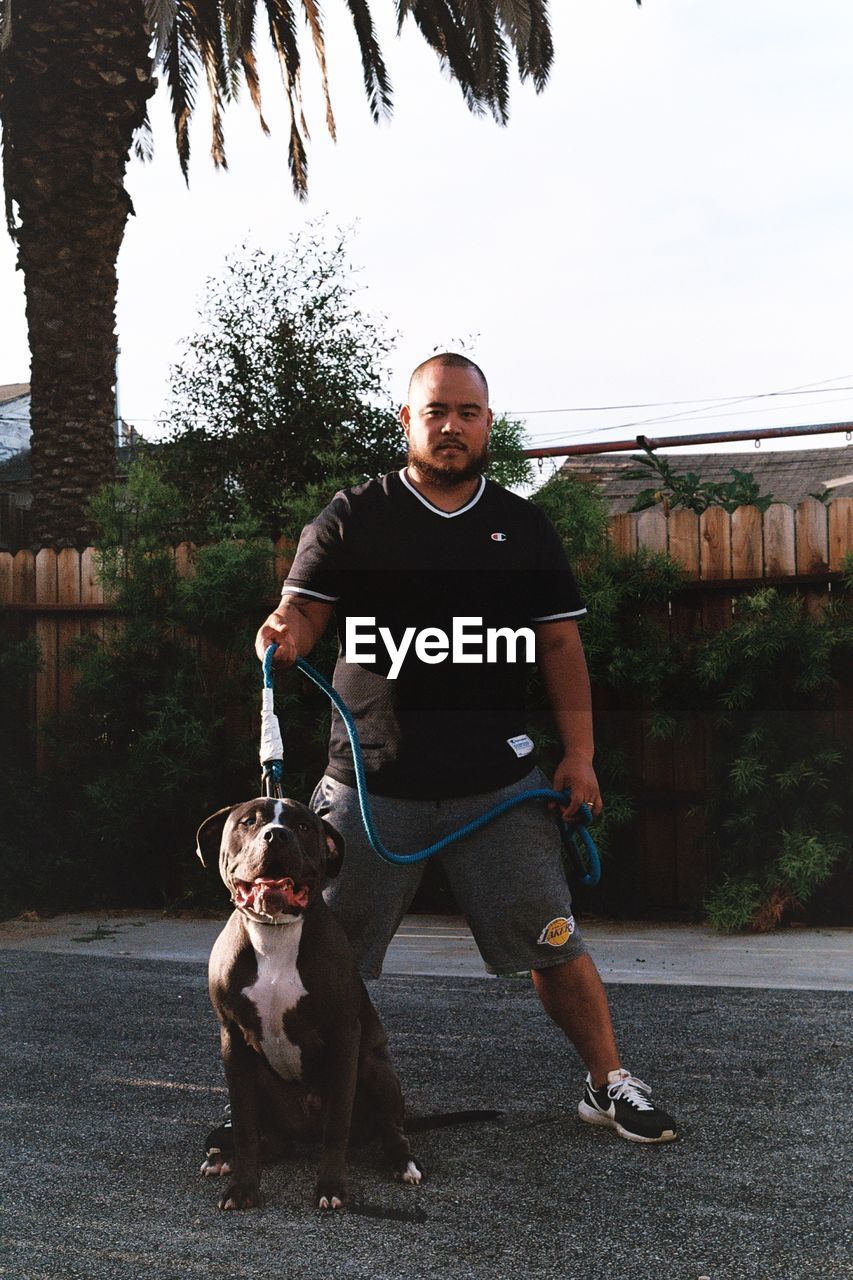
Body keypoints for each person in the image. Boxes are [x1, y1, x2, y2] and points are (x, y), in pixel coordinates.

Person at [255, 353, 678, 1144]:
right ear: (406, 422)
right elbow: (303, 615)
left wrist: (579, 757)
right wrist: (284, 633)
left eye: (468, 413)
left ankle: (606, 1083)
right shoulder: (351, 517)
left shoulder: (521, 525)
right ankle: (288, 1101)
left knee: (552, 943)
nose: (451, 426)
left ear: (488, 423)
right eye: (436, 411)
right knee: (316, 956)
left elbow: (558, 647)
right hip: (369, 784)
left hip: (497, 782)